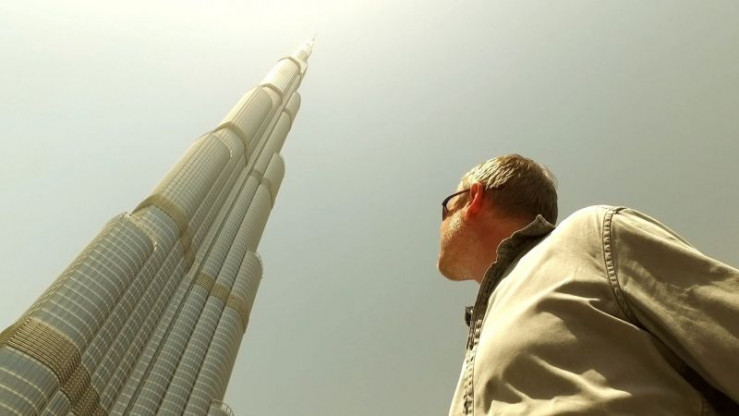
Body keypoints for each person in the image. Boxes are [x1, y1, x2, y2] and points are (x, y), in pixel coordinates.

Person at [438, 154, 739, 416]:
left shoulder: (588, 237)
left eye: (446, 209)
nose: (441, 225)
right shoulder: (480, 340)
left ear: (474, 198)